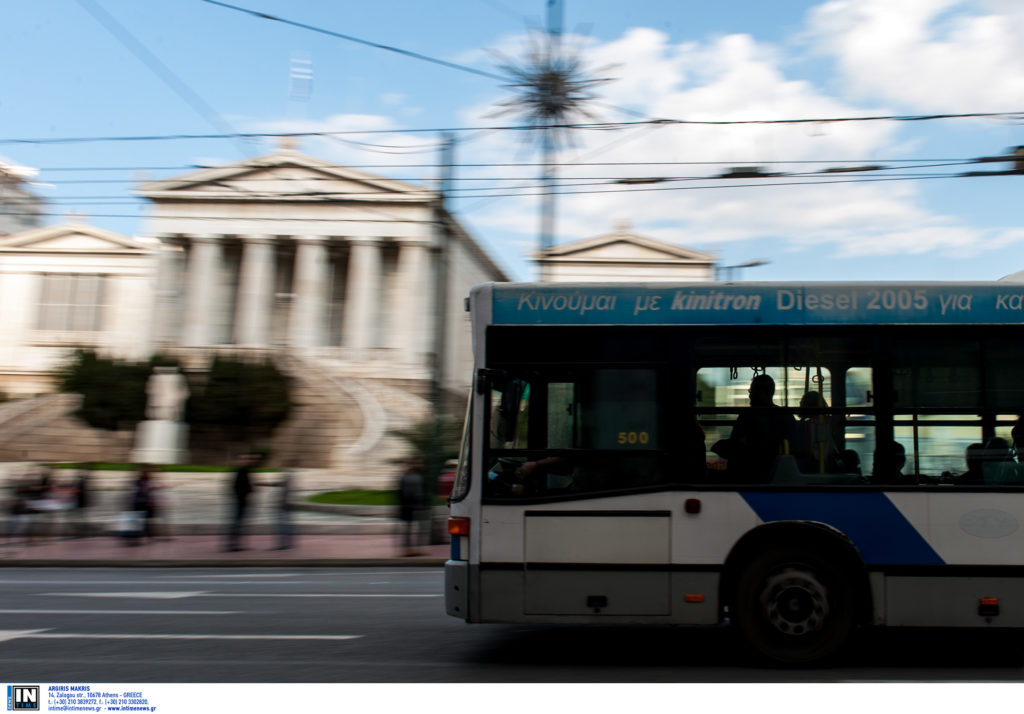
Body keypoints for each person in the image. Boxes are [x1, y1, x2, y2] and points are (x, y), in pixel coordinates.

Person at [711, 374, 796, 482]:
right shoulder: (787, 416)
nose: (750, 396)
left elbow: (734, 446)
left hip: (748, 476)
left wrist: (718, 446)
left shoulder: (748, 416)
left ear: (761, 393)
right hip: (779, 476)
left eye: (752, 392)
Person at [225, 452, 260, 552]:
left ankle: (235, 544)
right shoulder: (241, 471)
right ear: (238, 460)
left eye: (246, 459)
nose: (245, 461)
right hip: (240, 501)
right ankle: (232, 544)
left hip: (242, 501)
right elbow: (238, 487)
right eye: (243, 459)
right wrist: (249, 490)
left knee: (239, 523)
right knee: (237, 523)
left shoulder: (243, 470)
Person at [397, 457, 425, 556]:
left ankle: (411, 549)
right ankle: (409, 549)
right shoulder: (412, 477)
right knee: (410, 529)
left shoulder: (407, 476)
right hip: (410, 506)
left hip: (410, 506)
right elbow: (403, 493)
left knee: (410, 529)